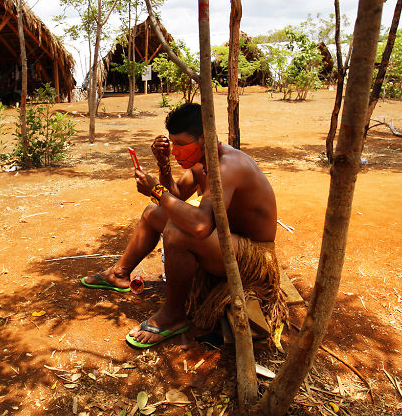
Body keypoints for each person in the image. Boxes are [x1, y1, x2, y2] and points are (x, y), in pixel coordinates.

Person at [81, 102, 287, 348]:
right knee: (153, 213)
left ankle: (173, 316)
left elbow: (200, 226)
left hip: (253, 256)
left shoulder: (227, 166)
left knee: (179, 231)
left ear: (203, 139)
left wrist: (156, 189)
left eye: (180, 145)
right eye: (172, 145)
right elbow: (176, 197)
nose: (175, 151)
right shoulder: (203, 161)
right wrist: (163, 165)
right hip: (226, 240)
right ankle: (119, 274)